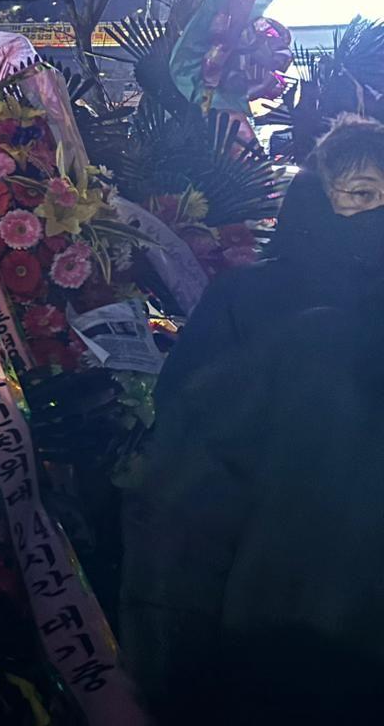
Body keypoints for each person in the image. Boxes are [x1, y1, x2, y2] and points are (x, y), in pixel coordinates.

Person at [122, 114, 384, 722]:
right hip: (277, 610)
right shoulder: (250, 301)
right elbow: (185, 479)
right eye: (362, 195)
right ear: (318, 200)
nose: (377, 215)